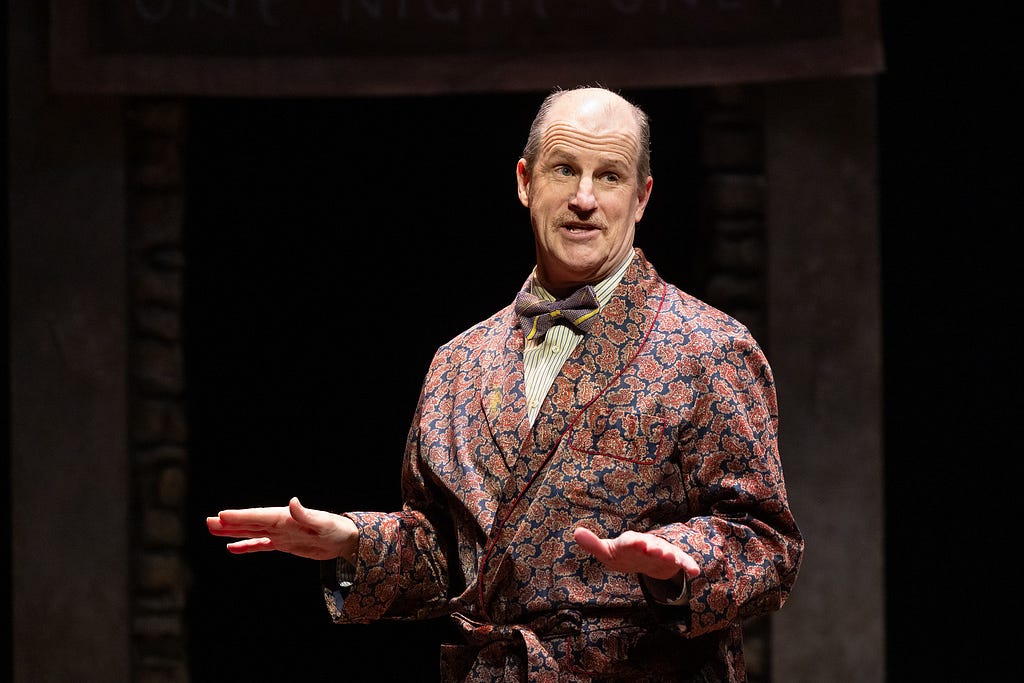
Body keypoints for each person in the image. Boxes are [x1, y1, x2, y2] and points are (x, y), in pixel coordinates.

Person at [207, 85, 803, 682]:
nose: (584, 199)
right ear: (525, 182)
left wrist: (683, 564)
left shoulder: (707, 347)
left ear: (643, 197)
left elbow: (768, 543)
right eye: (564, 170)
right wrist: (355, 542)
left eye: (611, 176)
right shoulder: (460, 363)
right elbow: (449, 552)